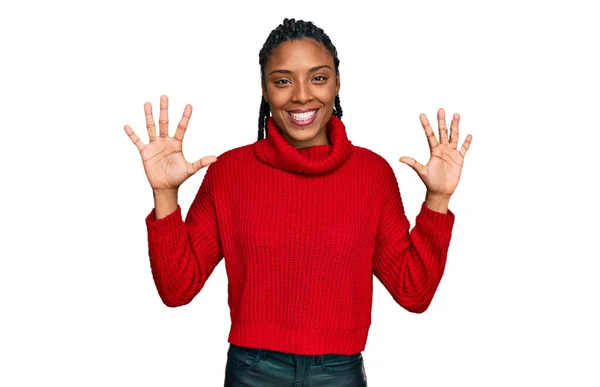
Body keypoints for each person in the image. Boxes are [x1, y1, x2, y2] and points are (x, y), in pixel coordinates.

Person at [124, 18, 472, 387]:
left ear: (338, 83)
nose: (302, 95)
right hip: (252, 371)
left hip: (339, 373)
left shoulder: (372, 176)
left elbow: (413, 292)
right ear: (264, 89)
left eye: (318, 78)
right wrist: (165, 194)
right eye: (283, 80)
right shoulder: (230, 173)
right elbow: (178, 289)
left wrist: (438, 199)